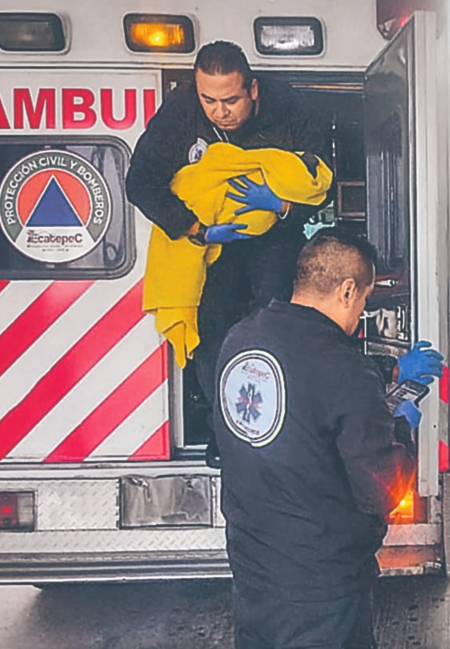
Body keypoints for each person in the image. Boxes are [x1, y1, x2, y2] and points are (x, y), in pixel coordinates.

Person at [216, 228, 442, 649]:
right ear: (345, 290)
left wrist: (383, 381)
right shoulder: (341, 367)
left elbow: (300, 406)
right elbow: (383, 489)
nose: (359, 312)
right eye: (361, 300)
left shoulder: (242, 341)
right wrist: (400, 427)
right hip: (322, 592)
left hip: (254, 581)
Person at [126, 40, 331, 466]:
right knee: (212, 330)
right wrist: (197, 228)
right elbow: (140, 182)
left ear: (252, 90)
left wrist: (281, 204)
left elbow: (321, 179)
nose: (220, 111)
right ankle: (227, 431)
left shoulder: (288, 108)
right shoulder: (182, 111)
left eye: (231, 100)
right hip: (212, 240)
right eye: (210, 100)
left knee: (274, 324)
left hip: (274, 234)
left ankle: (277, 427)